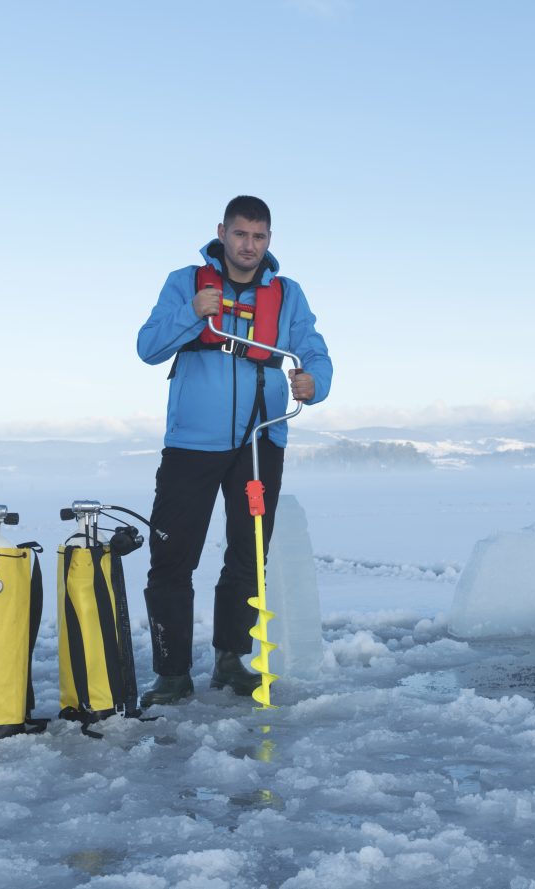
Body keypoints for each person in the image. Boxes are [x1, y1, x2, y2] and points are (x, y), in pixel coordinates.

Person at [135, 195, 332, 705]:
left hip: (261, 440)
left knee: (249, 555)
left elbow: (312, 347)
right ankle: (172, 673)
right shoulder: (185, 282)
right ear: (222, 232)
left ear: (269, 239)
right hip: (191, 445)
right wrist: (190, 313)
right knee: (172, 557)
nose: (249, 246)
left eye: (259, 237)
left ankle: (230, 660)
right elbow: (148, 347)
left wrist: (317, 381)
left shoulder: (288, 294)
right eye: (241, 234)